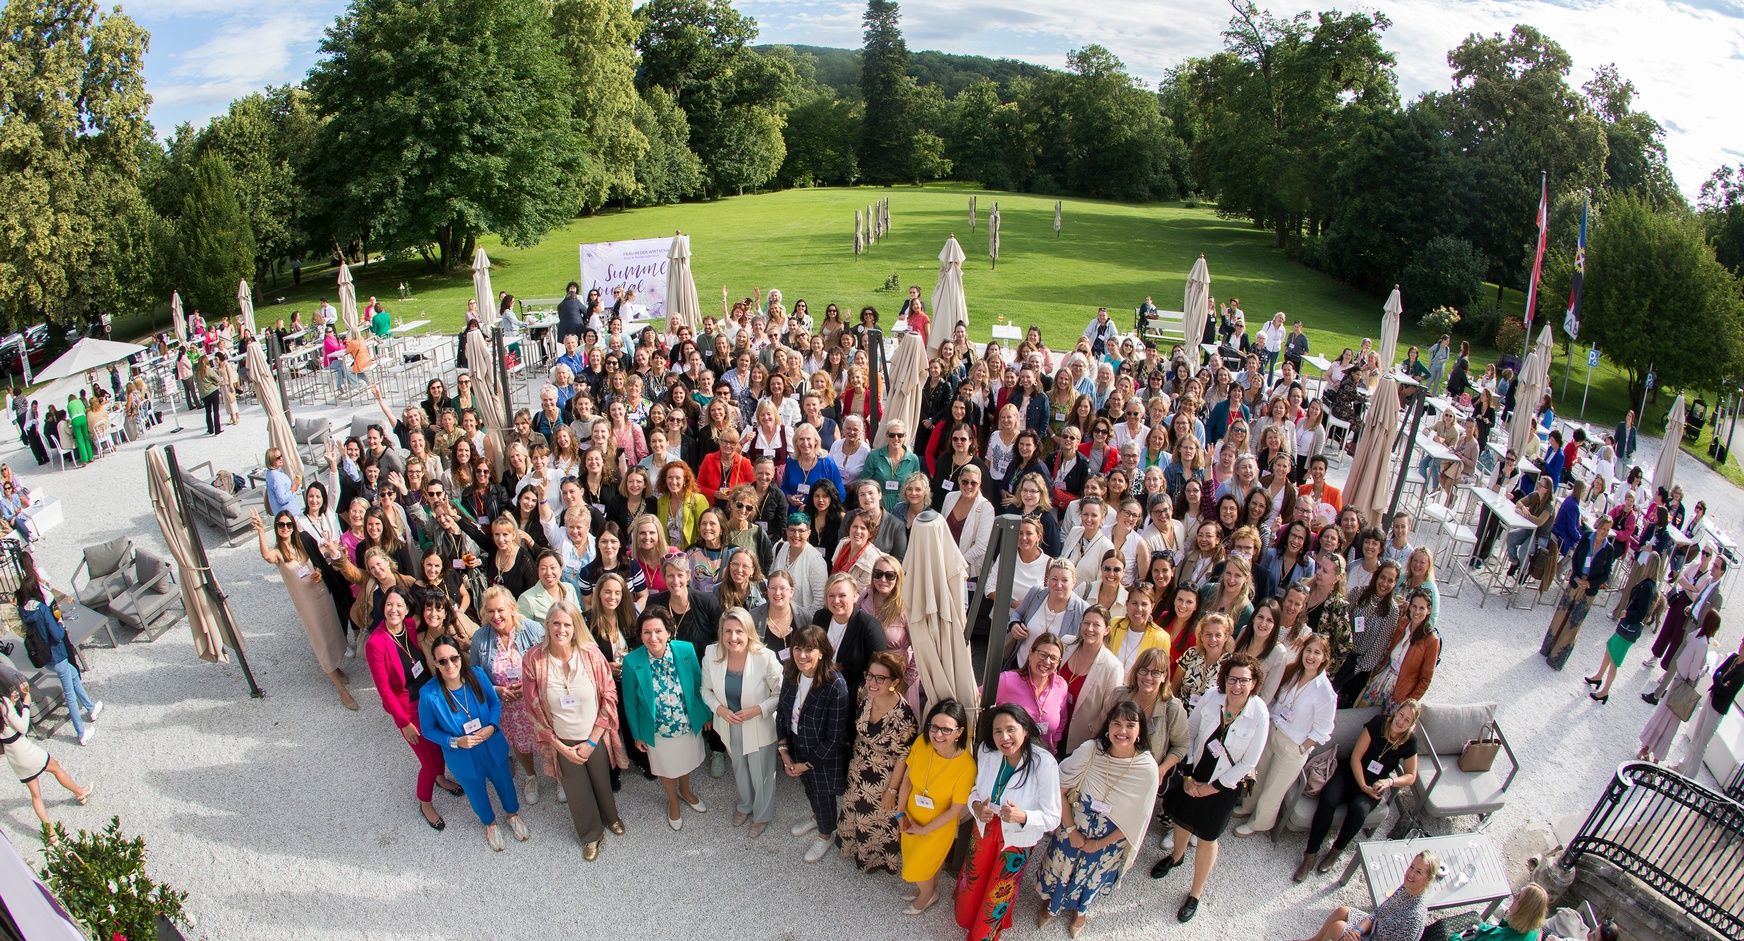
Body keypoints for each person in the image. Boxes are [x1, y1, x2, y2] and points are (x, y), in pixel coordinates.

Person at [1150, 654, 1268, 923]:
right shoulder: (1212, 697)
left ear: (1254, 683)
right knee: (1182, 819)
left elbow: (1250, 761)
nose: (1237, 686)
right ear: (1225, 678)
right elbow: (1190, 734)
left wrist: (1213, 788)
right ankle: (1176, 857)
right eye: (1232, 678)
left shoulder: (1259, 713)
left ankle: (1195, 893)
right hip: (1196, 772)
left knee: (1206, 837)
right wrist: (1189, 776)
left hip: (1225, 784)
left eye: (1244, 680)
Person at [1035, 700, 1160, 936]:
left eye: (1130, 725)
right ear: (1108, 726)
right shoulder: (1091, 750)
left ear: (1139, 731)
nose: (1122, 731)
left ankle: (1081, 911)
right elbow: (1059, 787)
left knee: (1092, 875)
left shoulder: (1147, 768)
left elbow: (1138, 820)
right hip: (1072, 826)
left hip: (1109, 839)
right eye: (1117, 724)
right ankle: (1052, 906)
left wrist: (1098, 844)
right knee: (1061, 866)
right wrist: (1071, 829)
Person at [523, 601, 625, 859]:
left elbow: (609, 695)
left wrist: (592, 741)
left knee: (603, 781)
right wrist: (560, 747)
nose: (561, 629)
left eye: (567, 624)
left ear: (575, 626)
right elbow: (533, 709)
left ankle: (610, 817)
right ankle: (591, 835)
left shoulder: (590, 654)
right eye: (555, 623)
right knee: (576, 790)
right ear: (547, 625)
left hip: (595, 735)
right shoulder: (534, 660)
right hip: (562, 740)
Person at [956, 703, 1062, 941]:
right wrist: (976, 807)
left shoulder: (1044, 764)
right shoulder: (986, 751)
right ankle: (967, 919)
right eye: (997, 731)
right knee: (974, 882)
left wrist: (1023, 816)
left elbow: (1053, 817)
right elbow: (974, 791)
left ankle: (983, 935)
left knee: (998, 891)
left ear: (1025, 730)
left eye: (1010, 729)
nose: (1004, 737)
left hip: (1016, 840)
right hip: (984, 829)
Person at [363, 586, 462, 831]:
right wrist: (403, 724)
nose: (393, 609)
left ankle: (441, 779)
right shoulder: (376, 643)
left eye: (399, 605)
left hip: (430, 696)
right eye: (389, 604)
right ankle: (425, 803)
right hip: (408, 710)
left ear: (407, 608)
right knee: (429, 761)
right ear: (382, 607)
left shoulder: (409, 626)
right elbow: (384, 690)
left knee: (440, 747)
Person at [419, 633, 529, 850]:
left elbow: (494, 702)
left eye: (454, 658)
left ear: (460, 657)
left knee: (504, 781)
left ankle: (512, 815)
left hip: (490, 743)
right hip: (462, 754)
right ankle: (490, 823)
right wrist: (454, 742)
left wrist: (492, 726)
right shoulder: (429, 694)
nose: (450, 664)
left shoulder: (477, 675)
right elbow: (428, 730)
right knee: (475, 789)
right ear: (435, 664)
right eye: (442, 661)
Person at [1296, 699, 1421, 880]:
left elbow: (1411, 776)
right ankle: (1310, 855)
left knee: (1359, 811)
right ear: (1396, 710)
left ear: (1411, 724)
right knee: (1328, 800)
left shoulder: (1410, 742)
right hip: (1351, 773)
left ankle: (1336, 851)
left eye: (1407, 720)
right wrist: (1363, 786)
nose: (1401, 721)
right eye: (1401, 715)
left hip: (1375, 784)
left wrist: (1389, 782)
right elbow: (1356, 757)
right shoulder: (1378, 723)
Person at [251, 510, 358, 711]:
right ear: (276, 528)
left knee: (333, 633)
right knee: (321, 641)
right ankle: (340, 689)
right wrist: (259, 531)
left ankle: (337, 668)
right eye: (281, 525)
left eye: (288, 525)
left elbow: (311, 568)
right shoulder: (278, 553)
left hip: (321, 596)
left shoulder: (300, 546)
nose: (285, 528)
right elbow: (267, 556)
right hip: (307, 605)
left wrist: (317, 573)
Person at [1234, 633, 1334, 837]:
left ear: (1324, 658)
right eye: (1308, 650)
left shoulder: (1325, 692)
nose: (1311, 656)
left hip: (1293, 746)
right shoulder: (1293, 673)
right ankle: (1248, 806)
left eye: (1317, 653)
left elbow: (1324, 730)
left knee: (1274, 789)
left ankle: (1259, 823)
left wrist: (1302, 748)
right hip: (1274, 732)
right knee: (1258, 776)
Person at [622, 607, 710, 829]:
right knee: (667, 767)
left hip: (687, 723)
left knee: (686, 761)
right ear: (640, 635)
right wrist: (636, 734)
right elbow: (630, 702)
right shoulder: (632, 661)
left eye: (658, 631)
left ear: (668, 632)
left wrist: (705, 714)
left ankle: (686, 791)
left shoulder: (686, 650)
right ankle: (673, 801)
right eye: (647, 632)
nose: (653, 638)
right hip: (657, 730)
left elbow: (700, 685)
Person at [701, 607, 785, 837]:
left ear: (749, 632)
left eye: (739, 631)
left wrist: (758, 710)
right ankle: (745, 804)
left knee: (762, 773)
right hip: (729, 724)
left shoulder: (765, 657)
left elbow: (781, 693)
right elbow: (705, 689)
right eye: (728, 631)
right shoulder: (711, 653)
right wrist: (719, 710)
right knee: (739, 767)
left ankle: (762, 814)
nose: (733, 637)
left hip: (759, 725)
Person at [837, 650, 920, 873]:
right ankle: (853, 847)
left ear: (895, 681)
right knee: (854, 810)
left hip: (884, 777)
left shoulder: (904, 716)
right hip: (858, 767)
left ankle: (874, 860)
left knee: (876, 820)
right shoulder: (865, 696)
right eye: (870, 675)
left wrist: (892, 790)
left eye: (880, 678)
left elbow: (904, 757)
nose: (872, 682)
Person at [892, 698, 976, 915]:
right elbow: (908, 780)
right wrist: (900, 812)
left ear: (959, 732)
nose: (938, 735)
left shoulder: (966, 766)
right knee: (924, 865)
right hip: (911, 816)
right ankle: (929, 890)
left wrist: (924, 830)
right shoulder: (922, 743)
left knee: (918, 868)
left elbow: (955, 810)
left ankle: (926, 896)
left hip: (938, 827)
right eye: (934, 727)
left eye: (946, 730)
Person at [777, 625, 853, 863]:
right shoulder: (791, 674)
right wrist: (784, 751)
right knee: (810, 790)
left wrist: (806, 764)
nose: (801, 655)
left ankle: (825, 834)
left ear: (822, 652)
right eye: (798, 648)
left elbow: (834, 738)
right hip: (797, 744)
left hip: (822, 756)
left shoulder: (835, 685)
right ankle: (818, 817)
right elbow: (782, 713)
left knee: (823, 794)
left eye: (809, 649)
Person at [0, 674, 93, 830]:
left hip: (14, 757)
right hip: (25, 749)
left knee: (36, 795)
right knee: (56, 768)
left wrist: (13, 705)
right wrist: (26, 705)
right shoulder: (4, 703)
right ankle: (79, 792)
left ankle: (50, 833)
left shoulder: (5, 705)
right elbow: (22, 727)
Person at [1291, 850, 1437, 941]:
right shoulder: (1406, 888)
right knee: (1342, 911)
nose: (1410, 874)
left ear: (1428, 879)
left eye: (1418, 872)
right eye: (1412, 867)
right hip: (1373, 930)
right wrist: (1357, 930)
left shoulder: (1414, 917)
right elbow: (1377, 914)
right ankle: (1314, 940)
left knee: (1338, 928)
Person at [1637, 610, 1719, 762]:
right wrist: (1704, 671)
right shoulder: (1703, 644)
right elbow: (1694, 673)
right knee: (1670, 725)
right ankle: (1654, 756)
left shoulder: (1695, 635)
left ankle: (1646, 746)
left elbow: (1687, 642)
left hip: (1677, 679)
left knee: (1661, 715)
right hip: (1684, 685)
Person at [1585, 552, 1666, 703]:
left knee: (1615, 659)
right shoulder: (1649, 583)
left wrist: (1626, 614)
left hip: (1629, 626)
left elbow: (1641, 612)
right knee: (1610, 648)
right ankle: (1598, 677)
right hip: (1627, 626)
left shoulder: (1648, 586)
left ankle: (1605, 691)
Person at [1541, 515, 1618, 672]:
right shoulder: (1586, 537)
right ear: (1598, 526)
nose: (1605, 532)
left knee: (1574, 624)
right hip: (1576, 582)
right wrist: (1576, 576)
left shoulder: (1608, 549)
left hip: (1589, 589)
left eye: (1607, 530)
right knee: (1561, 616)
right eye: (1603, 529)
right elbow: (1575, 557)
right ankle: (1547, 648)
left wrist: (1590, 583)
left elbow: (1607, 573)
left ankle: (1557, 658)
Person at [1678, 632, 1744, 778]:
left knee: (1701, 744)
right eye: (1742, 643)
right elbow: (1717, 674)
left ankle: (1689, 777)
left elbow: (1725, 690)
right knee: (1696, 736)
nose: (1741, 647)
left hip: (1718, 709)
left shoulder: (1742, 673)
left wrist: (1720, 679)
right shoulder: (1734, 658)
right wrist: (1720, 678)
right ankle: (1683, 765)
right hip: (1711, 698)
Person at [997, 633, 1069, 753]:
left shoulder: (1061, 686)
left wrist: (1054, 747)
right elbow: (976, 699)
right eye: (1043, 654)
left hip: (1042, 759)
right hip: (1009, 757)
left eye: (1053, 658)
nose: (1047, 661)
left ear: (1058, 662)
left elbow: (1061, 722)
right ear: (1030, 653)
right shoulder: (1006, 681)